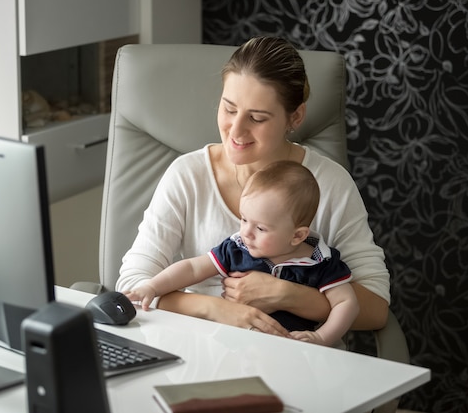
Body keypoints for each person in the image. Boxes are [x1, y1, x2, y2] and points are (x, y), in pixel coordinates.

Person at [116, 36, 390, 338]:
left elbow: (376, 308)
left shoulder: (330, 184)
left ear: (295, 117)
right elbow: (133, 283)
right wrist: (216, 309)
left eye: (257, 118)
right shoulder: (187, 175)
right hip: (200, 353)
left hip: (299, 360)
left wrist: (288, 295)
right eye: (229, 109)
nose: (235, 131)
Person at [123, 161, 359, 347]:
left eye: (260, 228)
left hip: (293, 352)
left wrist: (322, 338)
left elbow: (347, 303)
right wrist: (153, 287)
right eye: (244, 219)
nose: (246, 232)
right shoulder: (237, 248)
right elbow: (193, 268)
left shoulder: (321, 261)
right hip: (230, 347)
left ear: (297, 236)